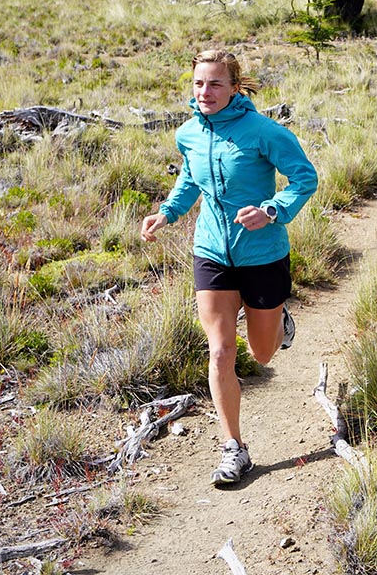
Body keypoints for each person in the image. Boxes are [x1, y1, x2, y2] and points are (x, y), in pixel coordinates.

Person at [140, 49, 317, 486]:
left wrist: (273, 210)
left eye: (216, 83)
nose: (206, 92)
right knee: (220, 351)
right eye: (199, 83)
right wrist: (168, 212)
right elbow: (189, 178)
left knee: (262, 353)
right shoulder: (189, 134)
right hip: (212, 253)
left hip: (262, 254)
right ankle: (234, 448)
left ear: (236, 88)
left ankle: (277, 320)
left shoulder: (264, 132)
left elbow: (304, 178)